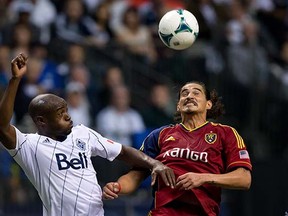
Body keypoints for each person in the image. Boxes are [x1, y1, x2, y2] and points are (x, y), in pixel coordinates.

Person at [0, 53, 176, 216]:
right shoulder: (30, 145)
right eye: (60, 114)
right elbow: (2, 127)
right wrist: (15, 80)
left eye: (66, 110)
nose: (68, 116)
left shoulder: (82, 133)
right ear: (41, 121)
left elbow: (122, 152)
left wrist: (154, 164)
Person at [103, 81, 252, 216]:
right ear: (178, 106)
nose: (189, 96)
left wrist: (204, 177)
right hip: (162, 212)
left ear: (208, 104)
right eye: (184, 93)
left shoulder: (225, 133)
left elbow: (244, 179)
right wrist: (118, 187)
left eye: (196, 92)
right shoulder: (160, 135)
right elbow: (136, 175)